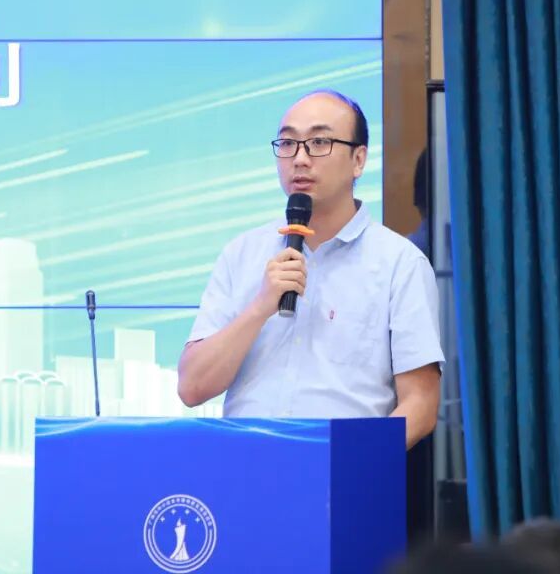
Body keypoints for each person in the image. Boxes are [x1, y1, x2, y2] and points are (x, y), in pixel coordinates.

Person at [176, 89, 444, 449]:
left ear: (358, 160)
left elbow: (421, 404)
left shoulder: (399, 263)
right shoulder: (241, 254)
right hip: (244, 469)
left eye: (319, 142)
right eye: (288, 144)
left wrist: (355, 463)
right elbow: (192, 387)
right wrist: (260, 307)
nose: (300, 159)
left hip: (344, 470)